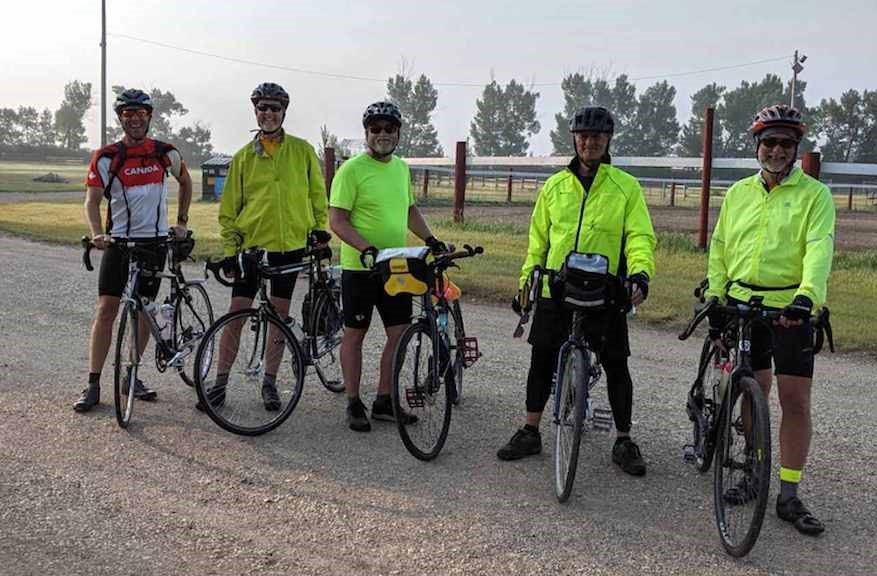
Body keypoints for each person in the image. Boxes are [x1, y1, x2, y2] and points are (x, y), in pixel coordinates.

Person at [497, 106, 656, 476]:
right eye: (583, 136)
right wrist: (527, 283)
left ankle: (624, 439)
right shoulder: (554, 186)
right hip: (556, 286)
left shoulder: (625, 186)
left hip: (606, 287)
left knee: (617, 363)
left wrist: (640, 273)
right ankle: (531, 429)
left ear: (608, 141)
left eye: (597, 137)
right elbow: (537, 240)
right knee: (541, 358)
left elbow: (639, 236)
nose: (590, 142)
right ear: (574, 139)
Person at [705, 104, 834, 536]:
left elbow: (819, 249)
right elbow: (720, 247)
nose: (776, 150)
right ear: (757, 147)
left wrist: (806, 298)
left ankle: (789, 494)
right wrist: (716, 291)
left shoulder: (815, 196)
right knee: (751, 390)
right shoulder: (739, 193)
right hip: (741, 302)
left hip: (790, 310)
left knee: (794, 399)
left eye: (785, 144)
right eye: (769, 143)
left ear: (796, 149)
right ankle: (752, 472)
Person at [201, 82, 330, 411]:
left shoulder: (302, 151)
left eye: (274, 108)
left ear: (284, 112)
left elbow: (317, 196)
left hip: (289, 247)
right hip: (252, 248)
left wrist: (319, 231)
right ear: (255, 112)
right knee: (236, 314)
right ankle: (219, 383)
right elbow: (229, 209)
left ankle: (269, 382)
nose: (268, 113)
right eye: (262, 108)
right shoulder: (244, 157)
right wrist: (231, 251)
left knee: (279, 315)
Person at [329, 101, 448, 432]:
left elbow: (409, 210)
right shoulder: (351, 170)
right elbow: (336, 220)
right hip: (360, 267)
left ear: (398, 134)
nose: (382, 134)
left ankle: (384, 400)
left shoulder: (400, 168)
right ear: (367, 133)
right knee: (355, 334)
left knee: (398, 334)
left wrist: (430, 238)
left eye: (389, 129)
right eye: (376, 129)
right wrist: (365, 247)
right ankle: (353, 401)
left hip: (395, 265)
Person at [74, 88, 193, 412]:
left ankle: (131, 375)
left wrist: (181, 222)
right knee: (106, 310)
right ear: (121, 118)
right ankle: (93, 383)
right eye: (128, 113)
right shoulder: (107, 156)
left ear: (149, 117)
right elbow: (92, 200)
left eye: (140, 113)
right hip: (120, 243)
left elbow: (185, 181)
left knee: (144, 312)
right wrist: (98, 234)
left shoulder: (164, 152)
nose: (135, 118)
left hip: (153, 244)